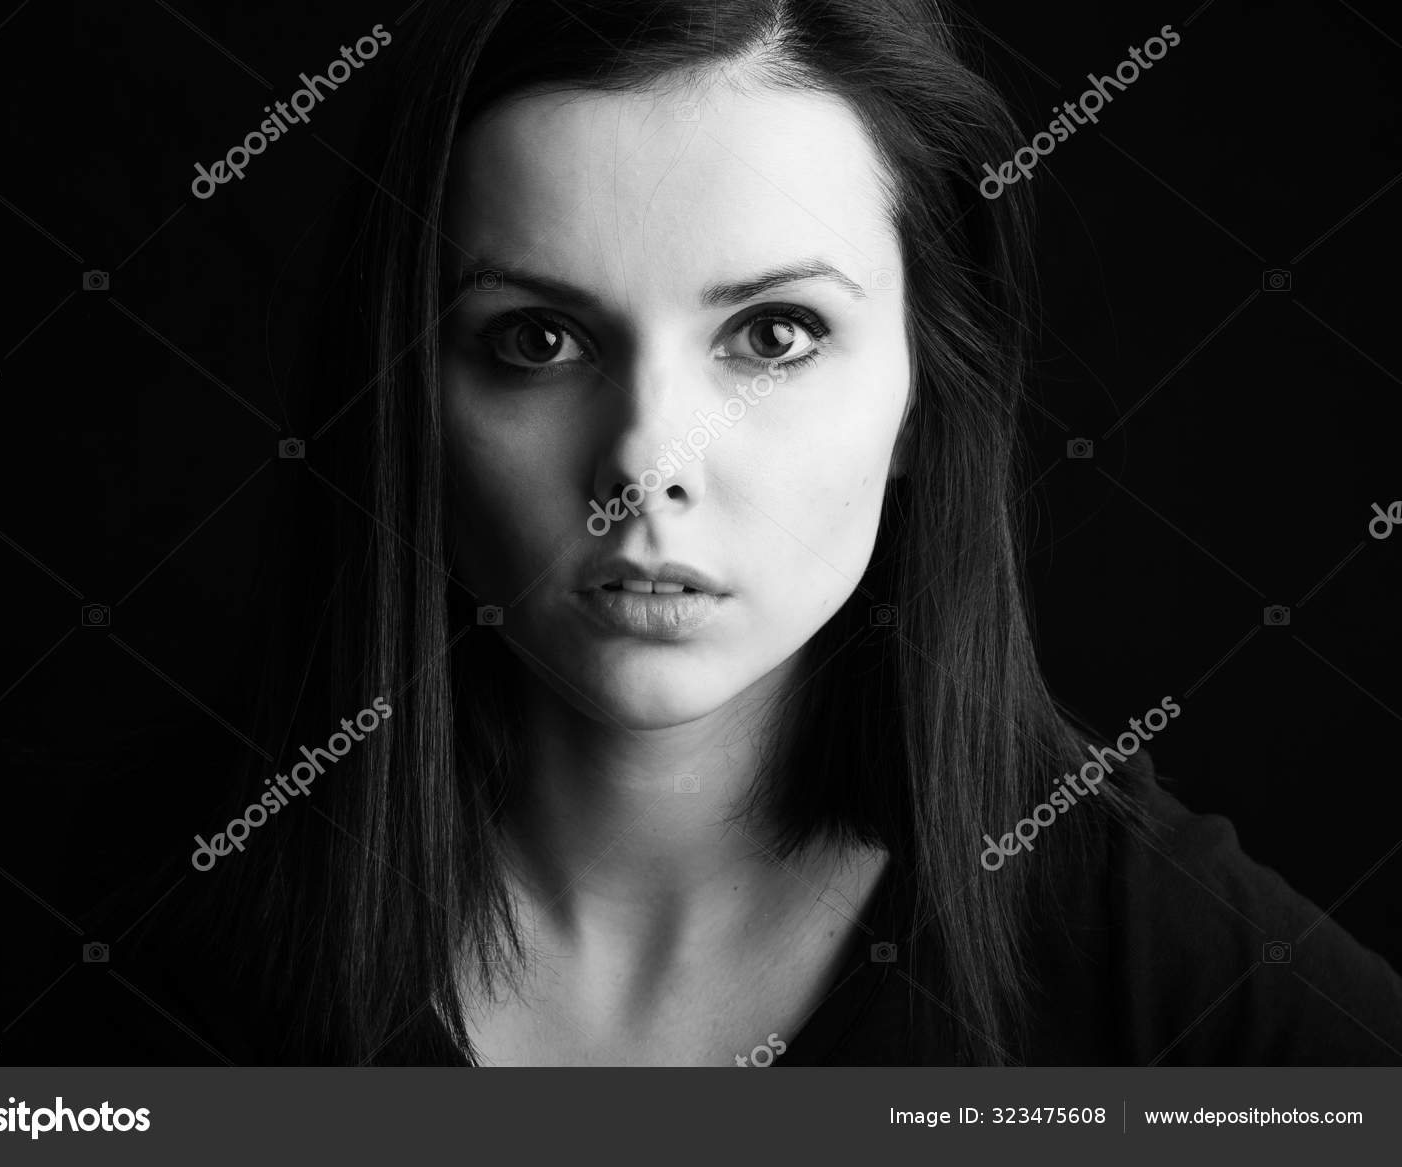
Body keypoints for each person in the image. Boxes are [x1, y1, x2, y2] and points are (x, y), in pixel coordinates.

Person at [144, 0, 1402, 1066]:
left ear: (925, 391)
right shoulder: (171, 941)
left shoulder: (1144, 955)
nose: (645, 466)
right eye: (536, 339)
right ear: (408, 390)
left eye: (772, 335)